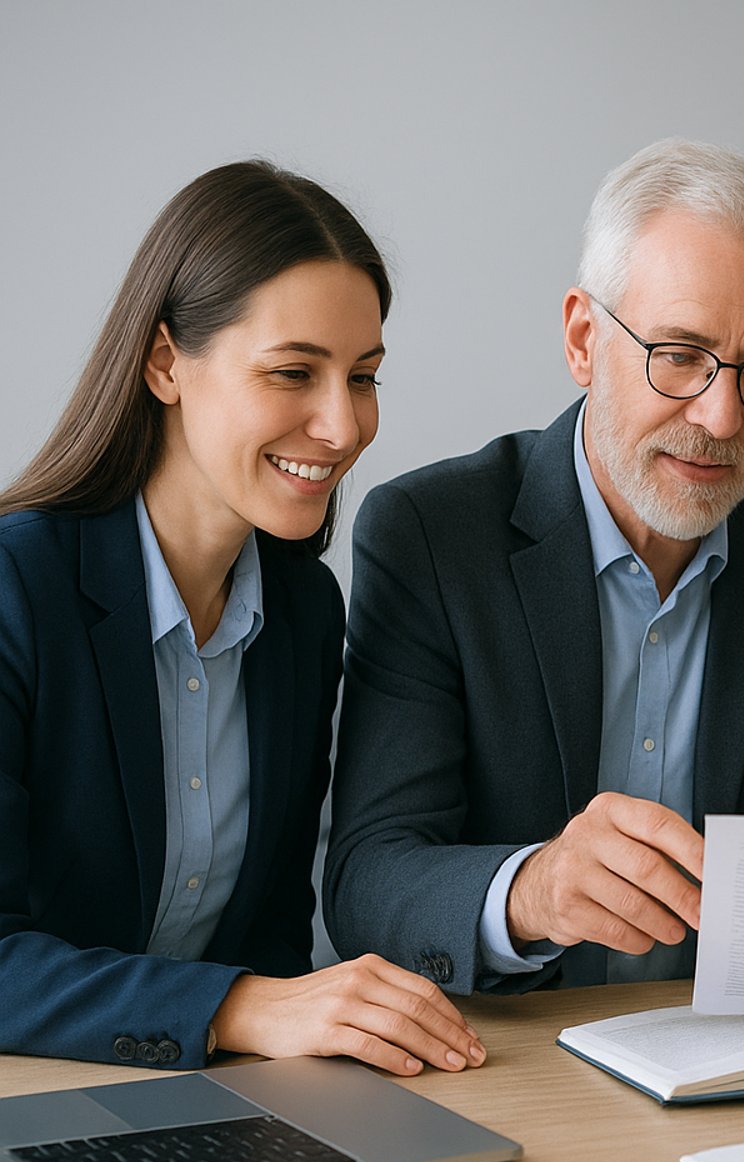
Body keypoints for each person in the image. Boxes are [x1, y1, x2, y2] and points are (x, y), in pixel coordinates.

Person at [324, 140, 744, 993]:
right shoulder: (432, 537)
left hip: (730, 1044)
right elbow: (368, 879)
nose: (722, 417)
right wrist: (531, 891)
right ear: (584, 340)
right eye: (680, 355)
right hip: (504, 1048)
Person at [0, 161, 484, 1075]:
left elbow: (272, 939)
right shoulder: (15, 589)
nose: (343, 427)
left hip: (216, 1101)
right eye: (294, 372)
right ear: (164, 363)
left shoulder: (304, 612)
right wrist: (235, 1005)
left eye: (364, 377)